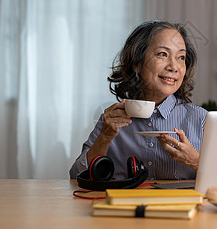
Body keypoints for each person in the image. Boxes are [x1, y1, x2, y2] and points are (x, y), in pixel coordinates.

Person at [69, 20, 207, 180]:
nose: (174, 66)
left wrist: (196, 162)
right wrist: (104, 138)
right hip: (123, 205)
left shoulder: (202, 120)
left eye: (181, 57)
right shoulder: (112, 120)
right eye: (163, 54)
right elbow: (76, 177)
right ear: (137, 62)